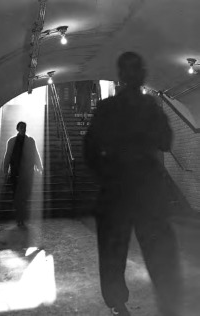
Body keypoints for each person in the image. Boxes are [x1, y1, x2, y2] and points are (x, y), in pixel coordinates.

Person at [83, 52, 182, 316]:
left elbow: (89, 149)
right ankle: (169, 302)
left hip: (115, 190)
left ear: (120, 76)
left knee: (113, 250)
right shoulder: (150, 107)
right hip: (148, 190)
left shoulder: (106, 109)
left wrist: (106, 175)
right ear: (142, 75)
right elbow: (166, 141)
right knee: (159, 247)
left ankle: (117, 303)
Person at [4, 121, 43, 226]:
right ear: (17, 128)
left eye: (24, 127)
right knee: (17, 196)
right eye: (21, 127)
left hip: (27, 172)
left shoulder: (30, 141)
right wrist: (5, 169)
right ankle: (19, 217)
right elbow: (7, 156)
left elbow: (35, 153)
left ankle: (21, 216)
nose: (23, 129)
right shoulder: (11, 141)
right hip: (15, 173)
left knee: (25, 195)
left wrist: (39, 166)